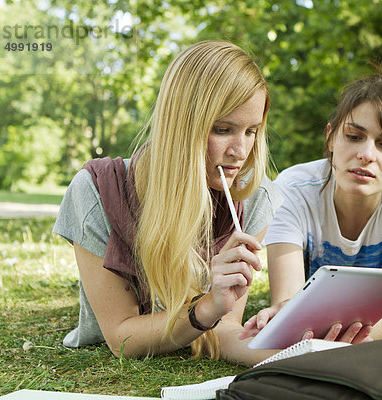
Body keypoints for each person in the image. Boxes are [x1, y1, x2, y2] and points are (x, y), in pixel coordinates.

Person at [53, 40, 281, 365]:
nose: (240, 151)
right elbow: (122, 338)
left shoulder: (253, 195)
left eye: (251, 131)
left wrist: (293, 355)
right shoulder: (97, 191)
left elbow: (225, 329)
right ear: (181, 126)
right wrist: (205, 308)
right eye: (222, 129)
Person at [241, 63, 382, 343]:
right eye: (354, 137)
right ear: (330, 137)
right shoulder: (292, 189)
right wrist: (284, 314)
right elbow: (289, 305)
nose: (366, 154)